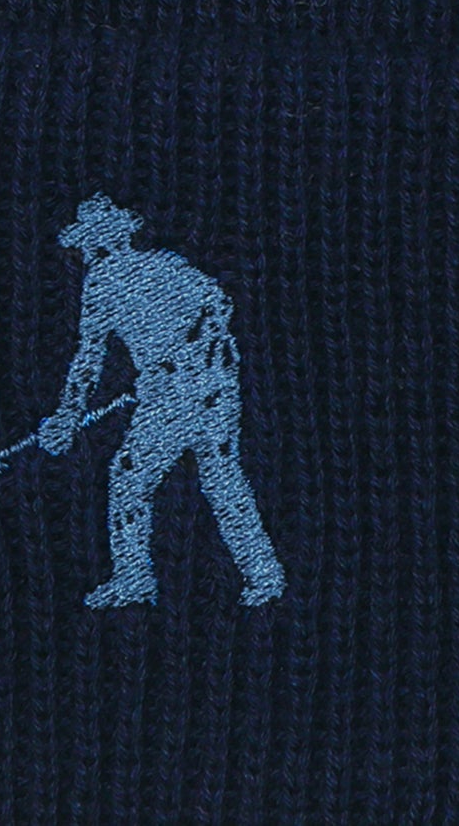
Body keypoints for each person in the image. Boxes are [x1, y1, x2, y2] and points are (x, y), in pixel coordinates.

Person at [39, 194, 287, 607]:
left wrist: (67, 417)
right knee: (222, 478)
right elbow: (220, 305)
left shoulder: (101, 283)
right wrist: (199, 357)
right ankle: (264, 575)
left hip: (173, 394)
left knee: (129, 477)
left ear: (93, 244)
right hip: (216, 386)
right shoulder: (167, 264)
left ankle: (134, 578)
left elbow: (88, 361)